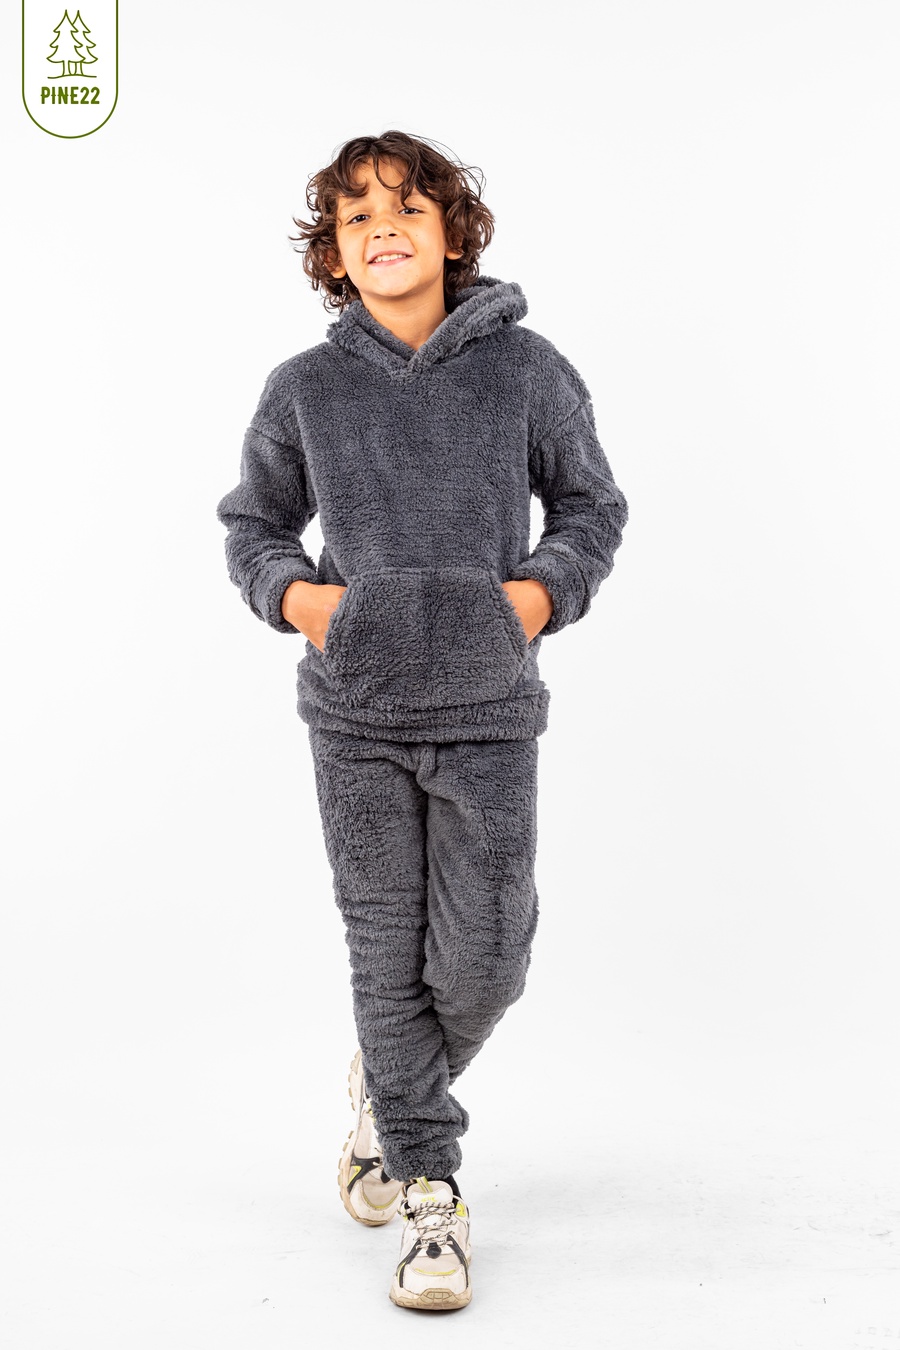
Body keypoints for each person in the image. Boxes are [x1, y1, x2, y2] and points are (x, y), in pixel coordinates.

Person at [215, 129, 629, 1311]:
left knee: (487, 958)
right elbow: (254, 526)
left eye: (406, 207)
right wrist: (307, 605)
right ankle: (430, 1192)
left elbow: (592, 508)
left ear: (453, 232)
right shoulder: (304, 388)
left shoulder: (528, 371)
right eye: (355, 217)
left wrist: (533, 599)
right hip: (355, 714)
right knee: (383, 949)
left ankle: (387, 1088)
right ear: (333, 253)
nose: (381, 228)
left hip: (491, 707)